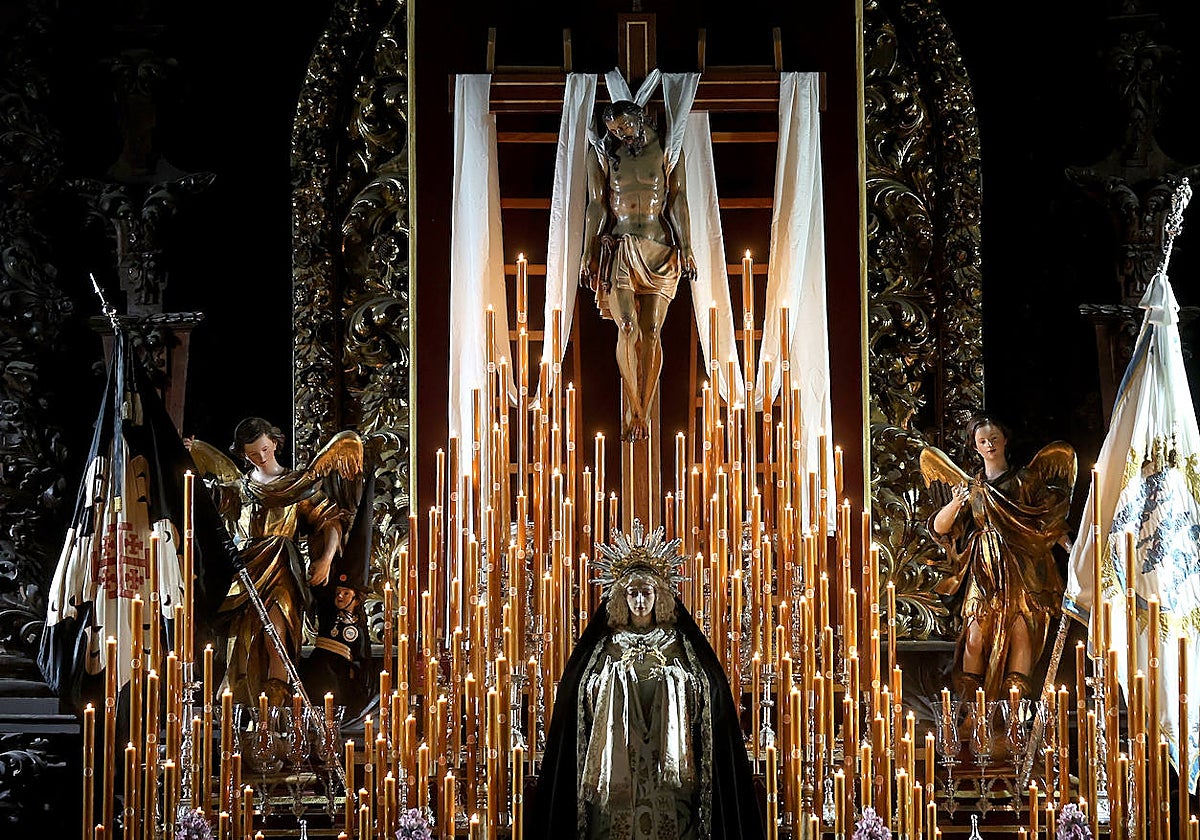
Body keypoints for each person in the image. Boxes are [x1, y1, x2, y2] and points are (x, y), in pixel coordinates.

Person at [531, 522, 764, 840]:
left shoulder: (677, 643)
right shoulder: (607, 644)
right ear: (621, 597)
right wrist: (612, 680)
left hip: (666, 764)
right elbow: (581, 693)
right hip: (617, 764)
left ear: (660, 595)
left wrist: (673, 680)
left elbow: (706, 692)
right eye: (633, 593)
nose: (640, 601)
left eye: (647, 592)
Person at [194, 417, 363, 707]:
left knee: (277, 636)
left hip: (283, 568)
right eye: (252, 454)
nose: (261, 457)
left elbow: (330, 521)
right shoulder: (239, 488)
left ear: (274, 442)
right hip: (246, 570)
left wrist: (325, 559)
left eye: (264, 449)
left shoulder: (298, 486)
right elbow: (208, 507)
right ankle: (244, 706)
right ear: (243, 454)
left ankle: (274, 707)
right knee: (242, 639)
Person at [922, 413, 1076, 702]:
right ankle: (973, 709)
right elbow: (939, 528)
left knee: (1021, 633)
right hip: (984, 568)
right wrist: (955, 503)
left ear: (1005, 440)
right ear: (975, 447)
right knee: (975, 637)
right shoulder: (970, 488)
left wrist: (1073, 551)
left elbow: (1047, 522)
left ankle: (1013, 711)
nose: (989, 445)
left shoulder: (1025, 480)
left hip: (1022, 567)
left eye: (994, 439)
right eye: (982, 441)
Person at [580, 99, 695, 441]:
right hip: (623, 247)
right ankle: (637, 410)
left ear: (640, 117)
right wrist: (587, 251)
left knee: (653, 331)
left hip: (659, 248)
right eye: (615, 131)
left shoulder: (668, 149)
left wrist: (687, 246)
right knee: (628, 326)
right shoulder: (603, 155)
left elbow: (678, 198)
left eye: (625, 127)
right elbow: (597, 205)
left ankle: (642, 410)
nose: (622, 135)